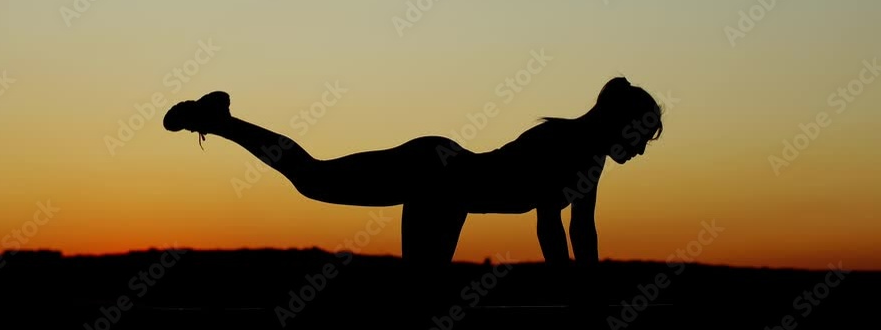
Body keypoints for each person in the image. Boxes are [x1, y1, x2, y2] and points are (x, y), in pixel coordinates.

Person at [162, 76, 664, 272]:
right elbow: (552, 227)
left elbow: (583, 230)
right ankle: (220, 121)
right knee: (314, 180)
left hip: (446, 185)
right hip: (436, 176)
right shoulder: (564, 144)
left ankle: (219, 121)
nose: (641, 151)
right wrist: (578, 296)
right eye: (641, 139)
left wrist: (587, 289)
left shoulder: (592, 160)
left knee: (315, 181)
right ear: (623, 126)